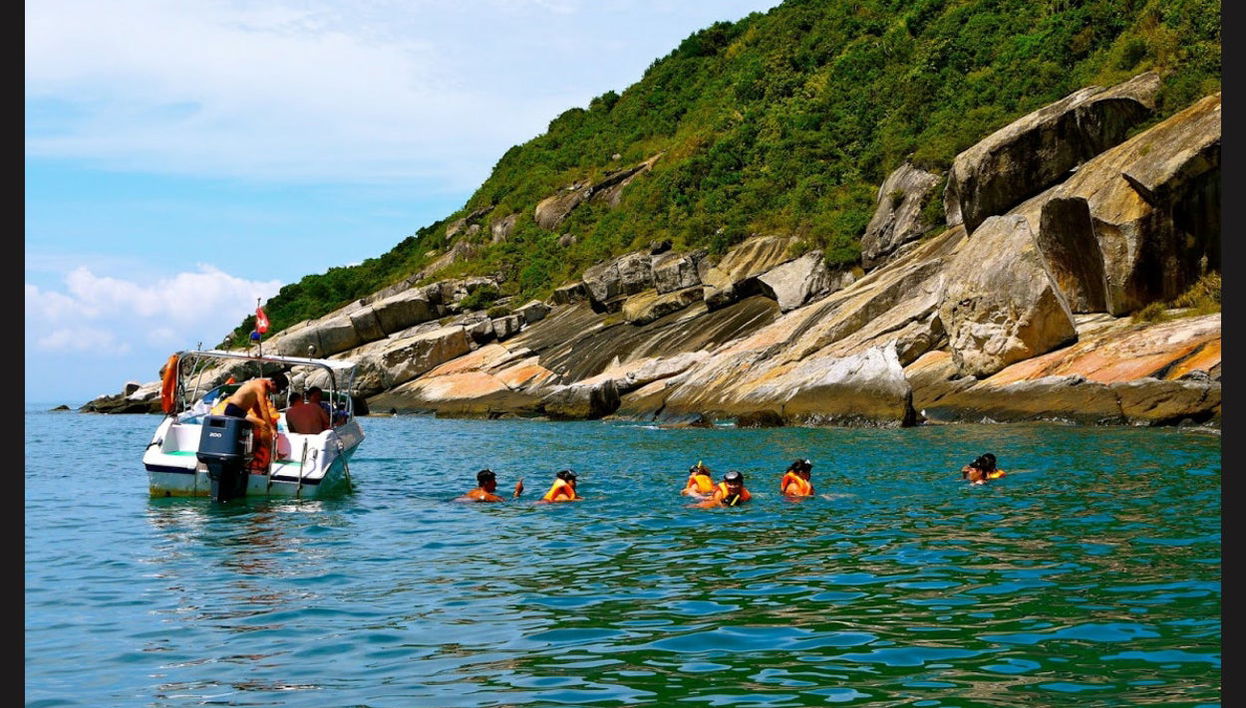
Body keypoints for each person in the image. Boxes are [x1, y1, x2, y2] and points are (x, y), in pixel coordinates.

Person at [217, 372, 288, 473]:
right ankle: (274, 454)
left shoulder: (261, 385)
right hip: (234, 411)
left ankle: (268, 453)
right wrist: (271, 428)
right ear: (273, 384)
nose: (276, 393)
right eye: (278, 390)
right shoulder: (260, 387)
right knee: (264, 426)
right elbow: (264, 409)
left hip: (239, 411)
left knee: (262, 425)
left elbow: (256, 408)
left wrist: (267, 424)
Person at [455, 469, 524, 502]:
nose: (496, 483)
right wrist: (517, 492)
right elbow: (511, 503)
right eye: (494, 480)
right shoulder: (488, 496)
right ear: (486, 482)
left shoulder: (473, 491)